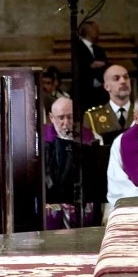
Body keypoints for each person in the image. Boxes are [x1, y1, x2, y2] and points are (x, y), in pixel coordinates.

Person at [44, 96, 97, 228]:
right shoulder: (43, 144)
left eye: (70, 117)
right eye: (61, 118)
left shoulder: (89, 140)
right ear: (52, 118)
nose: (66, 123)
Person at [84, 63, 134, 143]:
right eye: (116, 78)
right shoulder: (92, 118)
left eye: (126, 77)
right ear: (106, 86)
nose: (123, 81)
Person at [71, 20, 109, 104]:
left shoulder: (99, 50)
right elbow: (83, 66)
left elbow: (105, 65)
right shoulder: (77, 48)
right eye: (95, 28)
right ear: (88, 30)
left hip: (100, 92)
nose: (98, 31)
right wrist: (93, 65)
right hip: (84, 91)